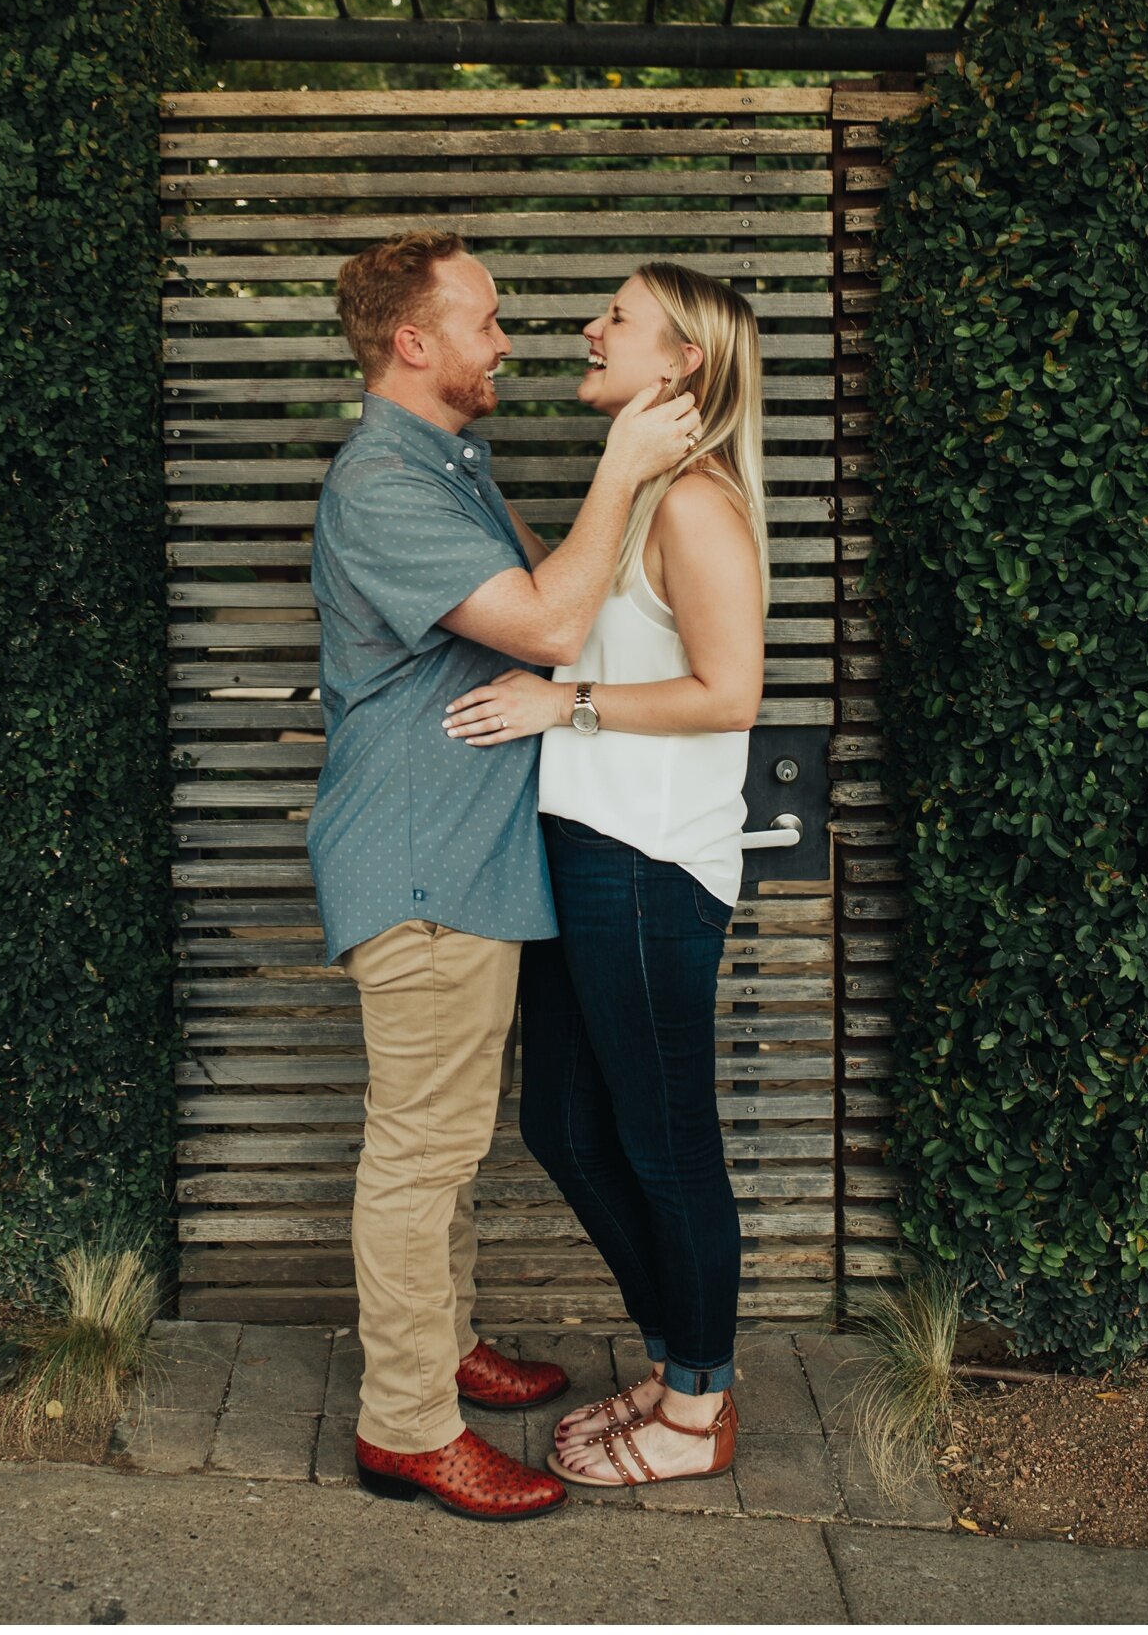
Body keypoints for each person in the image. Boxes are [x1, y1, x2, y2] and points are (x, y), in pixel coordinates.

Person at [308, 230, 701, 1521]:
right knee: (421, 1154)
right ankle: (408, 1426)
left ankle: (442, 1342)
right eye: (484, 321)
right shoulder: (383, 483)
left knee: (450, 1144)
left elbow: (542, 602)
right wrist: (626, 459)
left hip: (467, 864)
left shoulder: (448, 458)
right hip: (422, 863)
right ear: (413, 343)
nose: (509, 340)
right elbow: (544, 623)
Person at [440, 260, 767, 1492]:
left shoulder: (695, 503)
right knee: (565, 1124)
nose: (587, 326)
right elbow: (547, 591)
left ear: (682, 362)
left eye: (617, 318)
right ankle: (683, 1355)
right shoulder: (633, 489)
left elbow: (728, 693)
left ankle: (699, 1402)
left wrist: (556, 702)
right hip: (581, 853)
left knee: (667, 1140)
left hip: (650, 867)